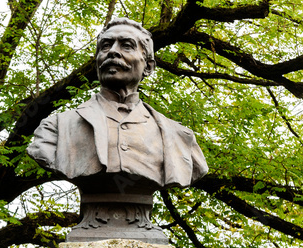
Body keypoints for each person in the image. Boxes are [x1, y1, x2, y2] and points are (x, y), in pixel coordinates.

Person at [27, 18, 208, 189]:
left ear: (148, 67)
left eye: (127, 46)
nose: (113, 51)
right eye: (105, 46)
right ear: (97, 62)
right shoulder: (56, 128)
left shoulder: (178, 136)